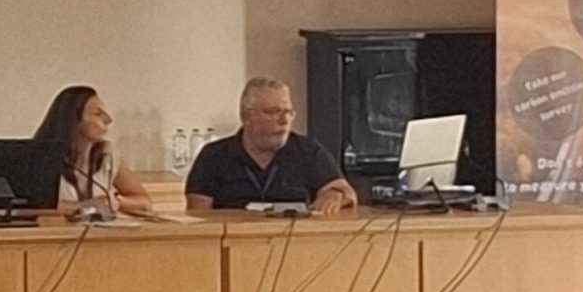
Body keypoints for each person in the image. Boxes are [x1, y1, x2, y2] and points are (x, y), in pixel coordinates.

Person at [183, 77, 356, 215]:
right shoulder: (214, 156)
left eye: (288, 112)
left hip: (296, 242)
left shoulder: (308, 151)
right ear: (246, 116)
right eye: (273, 112)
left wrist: (336, 193)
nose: (284, 120)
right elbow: (199, 218)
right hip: (236, 242)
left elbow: (348, 193)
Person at [31, 85, 154, 218]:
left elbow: (144, 202)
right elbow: (31, 207)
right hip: (55, 231)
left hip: (99, 231)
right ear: (74, 120)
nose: (108, 119)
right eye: (97, 114)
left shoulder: (107, 153)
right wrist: (85, 206)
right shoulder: (40, 156)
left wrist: (117, 202)